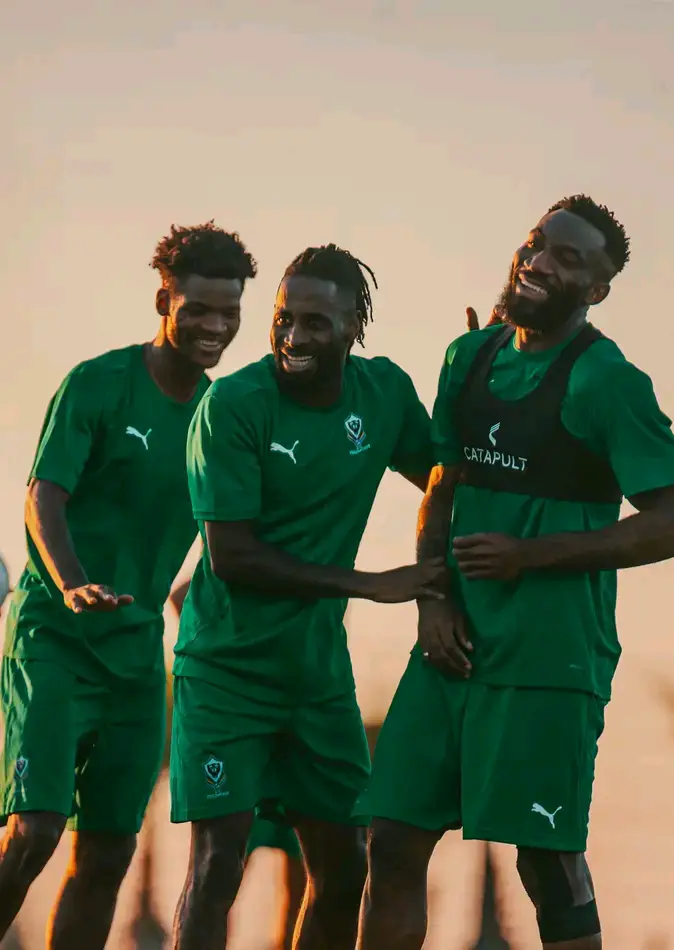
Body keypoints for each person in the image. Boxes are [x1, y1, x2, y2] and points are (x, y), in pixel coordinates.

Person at [357, 194, 674, 950]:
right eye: (538, 243)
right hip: (451, 646)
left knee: (547, 864)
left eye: (570, 259)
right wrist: (433, 600)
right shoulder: (467, 357)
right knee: (390, 838)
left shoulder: (605, 379)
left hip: (550, 653)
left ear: (598, 290)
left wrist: (528, 557)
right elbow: (442, 488)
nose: (541, 261)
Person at [169, 243, 445, 950]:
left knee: (345, 870)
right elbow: (232, 557)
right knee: (216, 865)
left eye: (316, 324)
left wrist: (481, 380)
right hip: (226, 671)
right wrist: (371, 585)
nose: (293, 338)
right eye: (283, 319)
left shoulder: (384, 395)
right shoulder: (233, 404)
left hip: (318, 678)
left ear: (355, 324)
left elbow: (450, 479)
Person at [0, 222, 257, 948]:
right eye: (198, 310)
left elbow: (233, 528)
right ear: (162, 301)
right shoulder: (97, 384)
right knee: (34, 831)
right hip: (54, 638)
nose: (214, 327)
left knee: (108, 851)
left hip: (139, 656)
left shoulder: (223, 415)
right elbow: (43, 494)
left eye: (228, 313)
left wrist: (195, 591)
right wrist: (73, 582)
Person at [169, 579, 306, 950]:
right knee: (221, 862)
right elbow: (181, 594)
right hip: (241, 721)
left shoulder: (319, 550)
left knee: (304, 865)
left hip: (300, 710)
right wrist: (221, 651)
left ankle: (284, 943)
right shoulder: (238, 551)